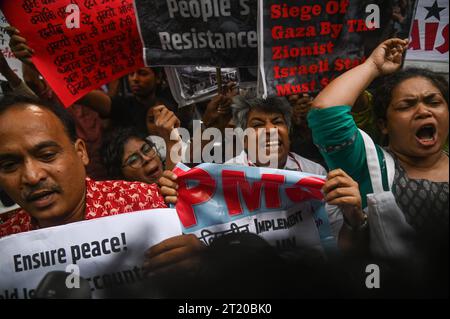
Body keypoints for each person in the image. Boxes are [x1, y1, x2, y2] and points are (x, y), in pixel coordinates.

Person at [308, 38, 449, 285]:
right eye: (407, 106)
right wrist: (372, 65)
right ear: (383, 125)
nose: (424, 111)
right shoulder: (369, 163)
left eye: (434, 102)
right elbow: (325, 110)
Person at [0, 95, 166, 238]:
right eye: (9, 165)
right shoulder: (5, 242)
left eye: (47, 155)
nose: (32, 176)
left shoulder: (146, 203)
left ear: (81, 152)